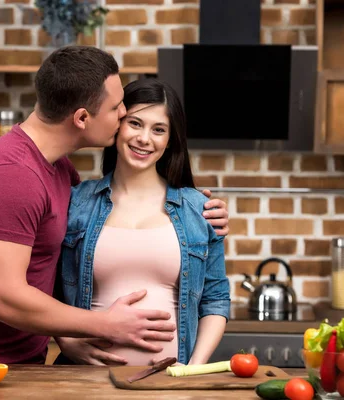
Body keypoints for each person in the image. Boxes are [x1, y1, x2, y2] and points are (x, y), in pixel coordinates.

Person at [0, 45, 230, 364]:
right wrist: (105, 326)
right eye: (117, 109)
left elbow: (49, 274)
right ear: (82, 118)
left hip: (23, 366)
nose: (124, 115)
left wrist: (202, 211)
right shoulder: (11, 176)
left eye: (158, 129)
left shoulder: (60, 172)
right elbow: (4, 299)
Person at [53, 78, 230, 367]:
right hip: (84, 381)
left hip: (170, 387)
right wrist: (68, 342)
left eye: (158, 129)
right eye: (135, 123)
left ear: (171, 139)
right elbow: (48, 285)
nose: (144, 139)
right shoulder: (77, 202)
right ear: (117, 124)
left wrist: (192, 369)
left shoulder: (198, 209)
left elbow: (215, 299)